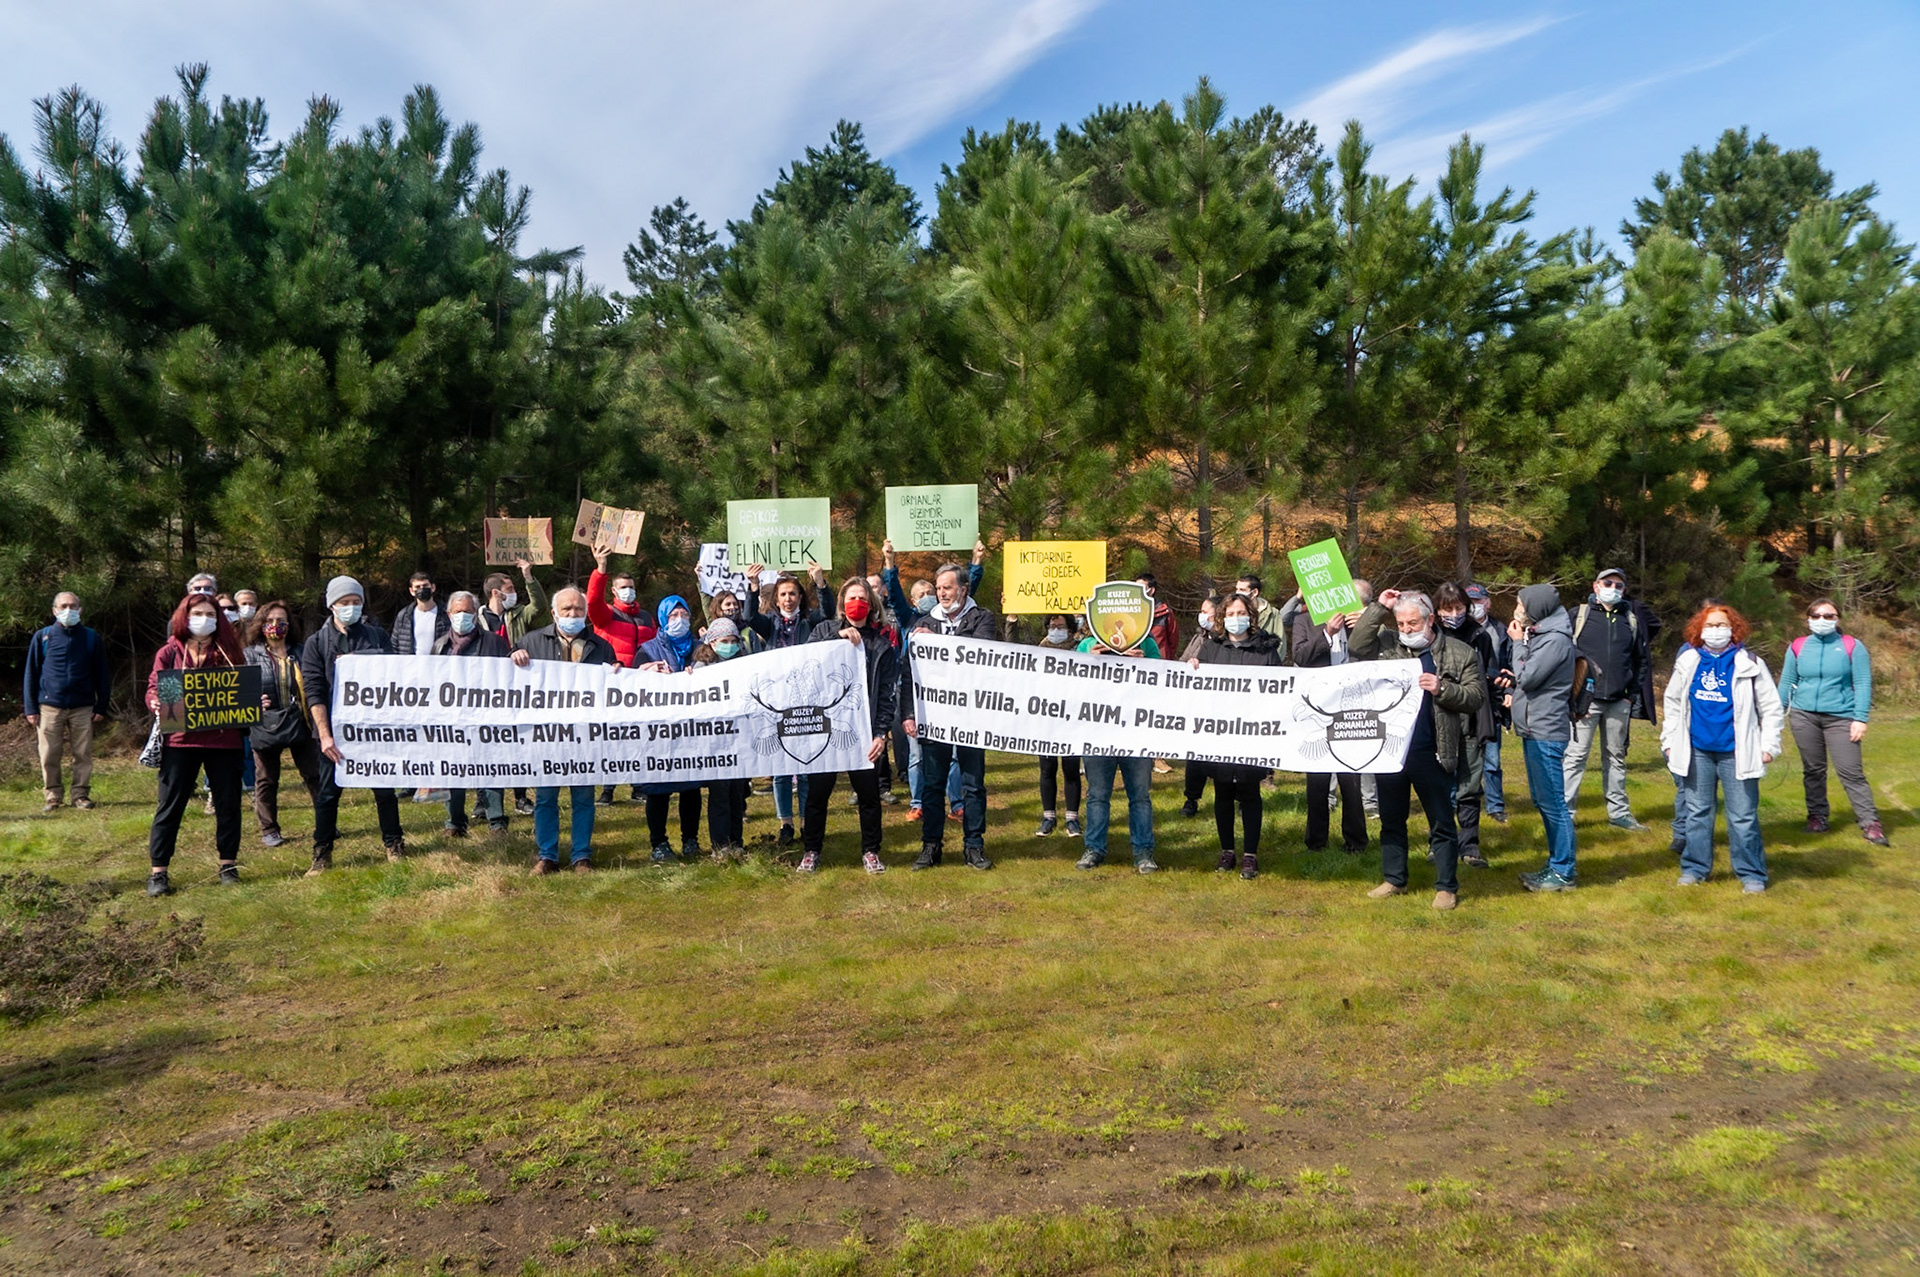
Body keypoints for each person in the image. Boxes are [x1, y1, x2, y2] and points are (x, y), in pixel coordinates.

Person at [1351, 590, 1485, 910]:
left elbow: (1476, 697)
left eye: (1413, 622)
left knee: (1440, 820)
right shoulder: (1387, 645)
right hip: (1391, 750)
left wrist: (1443, 689)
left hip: (1434, 749)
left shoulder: (1459, 652)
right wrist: (1379, 608)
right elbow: (1357, 645)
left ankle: (1446, 886)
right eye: (1401, 623)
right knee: (1391, 819)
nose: (1407, 629)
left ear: (1430, 620)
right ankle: (1394, 878)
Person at [1662, 603, 1784, 891]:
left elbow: (1771, 708)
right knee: (1697, 812)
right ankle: (1694, 869)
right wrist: (1669, 741)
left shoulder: (1750, 663)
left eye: (1721, 625)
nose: (1716, 630)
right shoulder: (1688, 660)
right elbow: (1673, 703)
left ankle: (1752, 874)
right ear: (1699, 630)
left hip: (1737, 752)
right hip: (1697, 751)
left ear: (1734, 629)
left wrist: (1769, 746)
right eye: (1710, 625)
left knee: (1742, 816)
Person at [145, 593, 254, 895]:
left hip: (225, 741)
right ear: (184, 616)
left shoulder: (231, 652)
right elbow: (155, 687)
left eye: (210, 614)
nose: (203, 619)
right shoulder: (169, 652)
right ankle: (158, 873)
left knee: (228, 805)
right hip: (180, 741)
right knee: (170, 805)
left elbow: (242, 691)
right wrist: (155, 702)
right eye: (197, 613)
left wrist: (255, 700)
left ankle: (228, 866)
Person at [303, 576, 408, 874]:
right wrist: (325, 737)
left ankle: (394, 844)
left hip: (374, 731)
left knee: (384, 790)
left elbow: (394, 679)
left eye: (356, 602)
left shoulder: (378, 637)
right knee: (327, 794)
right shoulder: (316, 644)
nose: (351, 607)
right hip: (334, 734)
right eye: (344, 603)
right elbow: (314, 692)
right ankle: (322, 852)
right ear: (331, 606)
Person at [510, 586, 615, 873]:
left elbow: (613, 687)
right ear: (554, 613)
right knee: (545, 798)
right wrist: (514, 655)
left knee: (583, 797)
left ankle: (581, 855)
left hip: (584, 735)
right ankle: (548, 856)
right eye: (566, 609)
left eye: (578, 609)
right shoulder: (531, 642)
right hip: (546, 735)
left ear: (585, 613)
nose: (572, 614)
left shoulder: (601, 646)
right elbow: (508, 678)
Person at [881, 539, 984, 825]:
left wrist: (976, 562)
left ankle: (958, 803)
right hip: (920, 695)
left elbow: (965, 589)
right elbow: (896, 598)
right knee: (917, 755)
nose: (932, 595)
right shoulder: (912, 619)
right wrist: (890, 563)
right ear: (914, 601)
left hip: (954, 695)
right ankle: (918, 803)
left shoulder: (956, 615)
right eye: (924, 592)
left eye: (934, 590)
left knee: (952, 757)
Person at [798, 578, 897, 874]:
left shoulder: (882, 642)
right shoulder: (824, 632)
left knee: (869, 797)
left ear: (871, 602)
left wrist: (881, 733)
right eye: (851, 596)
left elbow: (887, 692)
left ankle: (870, 851)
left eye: (862, 597)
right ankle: (811, 850)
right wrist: (836, 641)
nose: (857, 602)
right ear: (842, 602)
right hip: (826, 729)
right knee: (817, 795)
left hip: (864, 732)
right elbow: (804, 663)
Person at [901, 562, 997, 870]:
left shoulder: (982, 618)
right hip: (934, 715)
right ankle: (931, 846)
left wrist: (938, 641)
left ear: (963, 589)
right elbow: (909, 672)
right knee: (932, 783)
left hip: (971, 716)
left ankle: (974, 845)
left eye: (948, 587)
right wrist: (909, 713)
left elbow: (980, 656)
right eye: (938, 587)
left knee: (973, 784)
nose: (941, 593)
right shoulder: (925, 622)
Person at [1779, 599, 1887, 846]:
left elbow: (1861, 683)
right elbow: (1786, 682)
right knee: (1813, 770)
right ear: (1808, 619)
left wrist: (1860, 718)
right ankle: (1817, 817)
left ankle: (1870, 823)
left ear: (1838, 618)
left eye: (1829, 616)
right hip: (1804, 716)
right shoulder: (1797, 647)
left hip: (1841, 717)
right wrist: (1775, 714)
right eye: (1816, 616)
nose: (1822, 620)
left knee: (1851, 772)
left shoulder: (1852, 646)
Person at [1188, 594, 1282, 878]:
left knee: (1250, 794)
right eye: (1230, 613)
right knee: (1223, 792)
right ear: (1222, 618)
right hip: (1219, 733)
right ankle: (1227, 850)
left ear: (1251, 616)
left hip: (1253, 734)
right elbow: (1195, 685)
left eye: (1241, 612)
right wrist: (1193, 665)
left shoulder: (1265, 650)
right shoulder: (1211, 648)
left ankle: (1250, 855)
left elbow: (1278, 690)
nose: (1235, 617)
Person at [744, 562, 833, 843]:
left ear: (799, 597)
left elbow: (829, 612)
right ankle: (785, 824)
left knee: (805, 767)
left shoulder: (809, 621)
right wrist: (754, 586)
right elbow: (748, 617)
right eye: (783, 594)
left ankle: (807, 820)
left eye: (793, 593)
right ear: (776, 598)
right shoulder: (769, 623)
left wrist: (820, 583)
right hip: (777, 703)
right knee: (782, 770)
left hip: (806, 700)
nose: (788, 598)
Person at [1563, 568, 1652, 831]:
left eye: (1619, 585)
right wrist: (1573, 695)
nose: (1613, 588)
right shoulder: (1578, 615)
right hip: (1584, 703)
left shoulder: (1631, 620)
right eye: (1608, 583)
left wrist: (1630, 698)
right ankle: (1565, 815)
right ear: (1595, 586)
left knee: (1616, 757)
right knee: (1575, 757)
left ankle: (1619, 813)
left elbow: (1641, 663)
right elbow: (1565, 654)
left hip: (1618, 702)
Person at [1074, 628, 1162, 873]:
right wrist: (1087, 659)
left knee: (1140, 796)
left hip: (1136, 731)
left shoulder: (1146, 643)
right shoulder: (1087, 644)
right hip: (1098, 730)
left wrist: (1145, 663)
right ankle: (1094, 849)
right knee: (1098, 795)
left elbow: (1165, 679)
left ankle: (1144, 852)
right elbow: (1069, 679)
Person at [1509, 586, 1579, 893]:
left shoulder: (1554, 639)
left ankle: (1563, 871)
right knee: (1544, 801)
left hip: (1546, 731)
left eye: (1521, 605)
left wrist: (1516, 645)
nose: (1518, 609)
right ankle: (1555, 865)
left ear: (1537, 607)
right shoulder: (1542, 634)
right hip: (1533, 728)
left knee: (1553, 804)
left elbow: (1527, 677)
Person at [243, 600, 325, 848]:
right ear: (260, 624)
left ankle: (325, 821)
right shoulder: (249, 655)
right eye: (269, 621)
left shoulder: (301, 652)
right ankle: (269, 829)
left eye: (281, 621)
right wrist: (253, 700)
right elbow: (240, 691)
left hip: (300, 721)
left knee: (314, 775)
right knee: (266, 779)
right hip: (264, 725)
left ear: (290, 625)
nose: (275, 625)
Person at [1289, 601, 1368, 856]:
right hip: (1318, 708)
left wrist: (1364, 625)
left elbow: (1373, 655)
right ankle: (1316, 841)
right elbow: (1300, 656)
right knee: (1317, 779)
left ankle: (1356, 841)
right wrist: (1327, 634)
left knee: (1351, 778)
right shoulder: (1303, 621)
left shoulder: (1356, 622)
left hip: (1352, 707)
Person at [24, 591, 110, 813]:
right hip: (49, 707)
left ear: (80, 610)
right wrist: (30, 708)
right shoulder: (42, 637)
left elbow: (102, 674)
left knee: (82, 754)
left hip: (83, 707)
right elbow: (31, 674)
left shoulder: (92, 638)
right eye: (63, 606)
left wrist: (101, 705)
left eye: (73, 606)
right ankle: (53, 795)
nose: (68, 611)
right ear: (54, 610)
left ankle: (80, 795)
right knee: (49, 754)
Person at [437, 591, 514, 838]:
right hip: (452, 719)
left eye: (468, 611)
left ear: (476, 613)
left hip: (488, 717)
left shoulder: (495, 642)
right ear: (449, 614)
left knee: (491, 769)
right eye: (457, 612)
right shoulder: (438, 646)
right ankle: (455, 823)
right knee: (454, 771)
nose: (463, 616)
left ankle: (497, 822)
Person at [637, 594, 705, 860]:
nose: (679, 620)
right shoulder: (648, 648)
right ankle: (659, 843)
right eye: (673, 616)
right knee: (658, 788)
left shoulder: (700, 647)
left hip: (691, 729)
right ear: (663, 619)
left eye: (684, 615)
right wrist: (647, 671)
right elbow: (633, 681)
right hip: (659, 732)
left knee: (691, 786)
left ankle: (691, 840)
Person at [1435, 582, 1497, 868]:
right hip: (1438, 720)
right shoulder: (1431, 634)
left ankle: (1470, 845)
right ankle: (1439, 844)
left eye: (1459, 607)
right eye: (1448, 608)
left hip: (1472, 718)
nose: (1454, 614)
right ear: (1437, 610)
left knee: (1470, 785)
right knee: (1440, 786)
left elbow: (1491, 673)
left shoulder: (1479, 635)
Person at [482, 559, 548, 815]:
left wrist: (528, 575)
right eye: (510, 588)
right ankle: (484, 800)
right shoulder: (478, 617)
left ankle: (521, 796)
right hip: (487, 687)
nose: (514, 592)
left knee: (518, 738)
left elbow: (540, 606)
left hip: (517, 683)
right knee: (489, 740)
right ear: (496, 592)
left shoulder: (519, 613)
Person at [689, 619, 754, 860]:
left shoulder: (744, 664)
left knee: (737, 794)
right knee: (719, 795)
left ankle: (737, 842)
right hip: (714, 744)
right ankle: (720, 845)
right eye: (723, 642)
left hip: (739, 741)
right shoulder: (701, 668)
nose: (728, 646)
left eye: (732, 641)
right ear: (712, 642)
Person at [1034, 614, 1084, 838]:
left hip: (1072, 717)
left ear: (1070, 628)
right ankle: (1048, 817)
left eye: (1061, 626)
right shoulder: (1039, 649)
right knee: (1047, 768)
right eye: (1052, 626)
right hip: (1046, 718)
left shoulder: (1080, 650)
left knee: (1071, 769)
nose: (1056, 629)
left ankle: (1072, 818)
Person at [1467, 585, 1510, 824]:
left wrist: (1509, 689)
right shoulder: (1455, 630)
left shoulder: (1500, 631)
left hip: (1492, 702)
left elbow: (1511, 664)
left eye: (1478, 600)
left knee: (1492, 759)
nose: (1474, 605)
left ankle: (1495, 806)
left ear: (1488, 602)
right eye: (1470, 600)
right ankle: (1458, 802)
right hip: (1463, 700)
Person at [1178, 596, 1217, 820]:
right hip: (1199, 705)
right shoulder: (1198, 637)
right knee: (1196, 755)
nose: (1201, 615)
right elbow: (1183, 660)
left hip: (1221, 707)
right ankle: (1191, 798)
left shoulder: (1225, 640)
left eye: (1205, 611)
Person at [586, 548, 659, 668]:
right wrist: (601, 568)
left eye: (631, 587)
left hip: (642, 676)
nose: (628, 591)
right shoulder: (606, 614)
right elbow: (593, 601)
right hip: (614, 674)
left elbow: (656, 646)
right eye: (623, 587)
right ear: (614, 591)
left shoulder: (646, 617)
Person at [389, 570, 448, 656]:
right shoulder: (404, 616)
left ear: (433, 588)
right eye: (417, 587)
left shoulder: (446, 614)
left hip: (439, 665)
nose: (422, 589)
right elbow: (394, 645)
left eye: (425, 585)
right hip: (411, 666)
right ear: (411, 591)